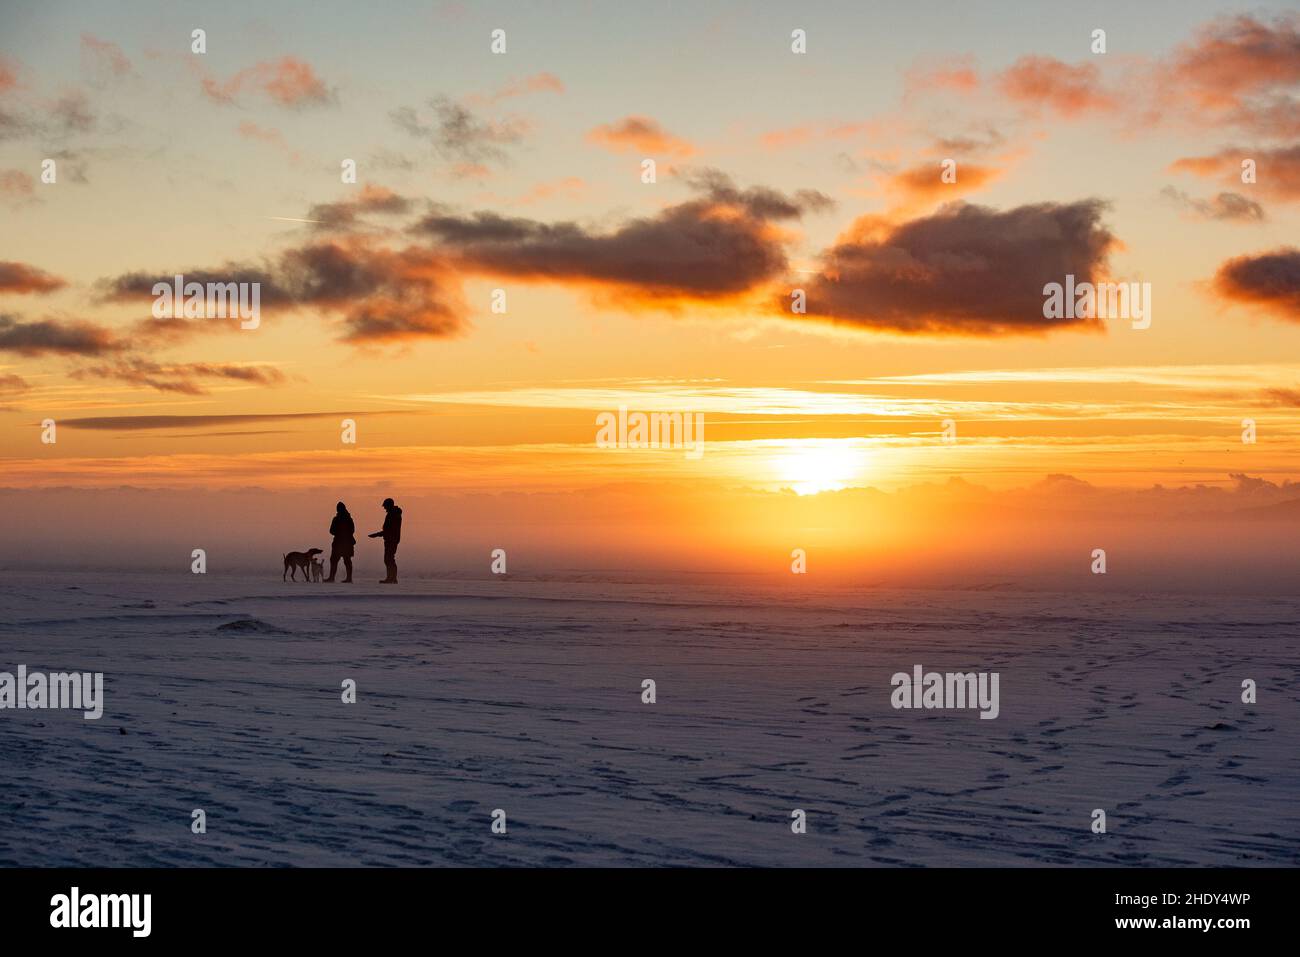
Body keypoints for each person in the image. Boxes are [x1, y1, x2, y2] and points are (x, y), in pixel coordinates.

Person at [368, 497, 402, 584]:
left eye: (385, 506)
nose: (384, 508)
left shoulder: (393, 515)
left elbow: (389, 530)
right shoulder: (393, 514)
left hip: (392, 540)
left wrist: (376, 534)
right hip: (390, 539)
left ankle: (392, 578)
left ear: (389, 505)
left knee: (389, 559)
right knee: (389, 559)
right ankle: (391, 578)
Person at [324, 501, 355, 583]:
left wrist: (339, 533)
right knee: (344, 560)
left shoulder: (337, 519)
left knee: (339, 560)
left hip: (340, 543)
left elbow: (332, 531)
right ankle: (345, 578)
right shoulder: (348, 519)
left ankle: (333, 578)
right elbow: (352, 530)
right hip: (344, 543)